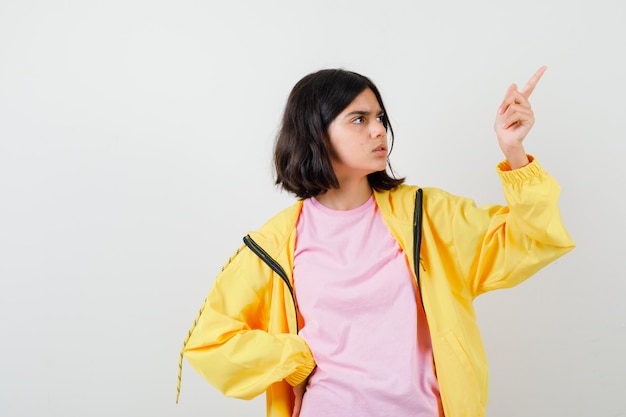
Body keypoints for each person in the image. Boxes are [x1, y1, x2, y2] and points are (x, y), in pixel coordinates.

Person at [176, 67, 575, 417]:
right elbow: (210, 342)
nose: (378, 129)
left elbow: (531, 240)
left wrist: (514, 151)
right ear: (316, 134)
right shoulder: (277, 242)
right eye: (358, 119)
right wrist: (294, 359)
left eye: (380, 117)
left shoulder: (426, 215)